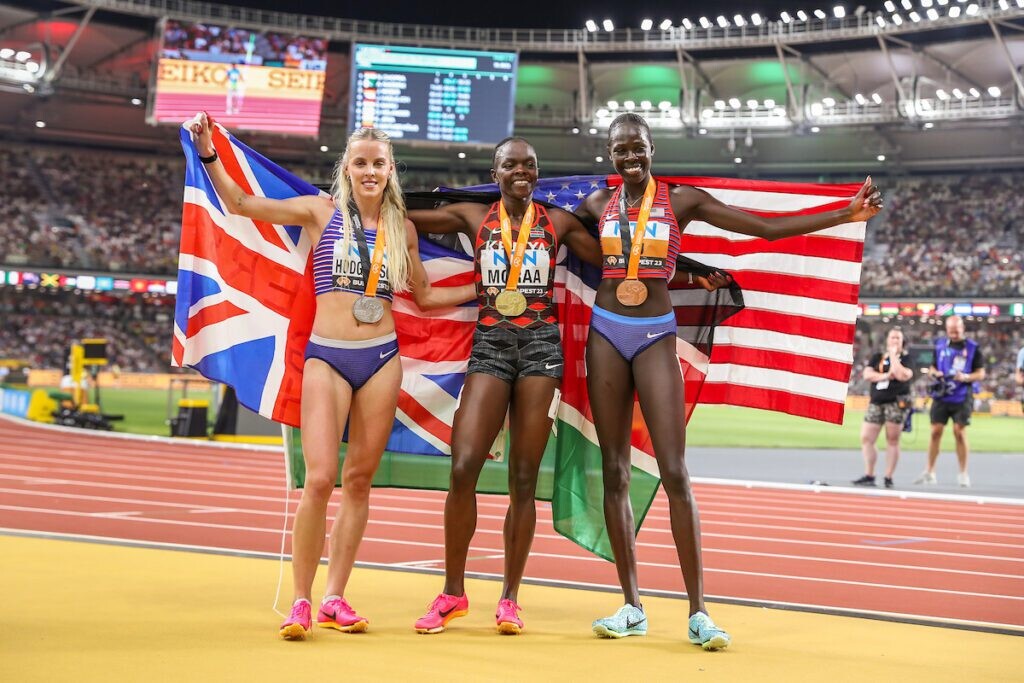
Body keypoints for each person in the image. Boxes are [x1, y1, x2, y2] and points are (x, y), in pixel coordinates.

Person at [573, 112, 883, 650]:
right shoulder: (597, 205)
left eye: (638, 147)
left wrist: (845, 214)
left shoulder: (682, 200)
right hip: (605, 333)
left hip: (654, 335)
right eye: (620, 149)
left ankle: (699, 612)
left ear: (652, 149)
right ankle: (631, 605)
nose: (630, 157)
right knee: (615, 471)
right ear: (610, 154)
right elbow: (548, 231)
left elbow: (763, 227)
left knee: (675, 471)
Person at [189, 112, 475, 640]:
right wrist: (209, 150)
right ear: (347, 168)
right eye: (361, 163)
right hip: (327, 356)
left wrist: (488, 289)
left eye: (379, 164)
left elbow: (426, 297)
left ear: (391, 171)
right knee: (320, 479)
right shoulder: (320, 211)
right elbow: (241, 204)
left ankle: (334, 597)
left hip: (382, 358)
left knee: (359, 481)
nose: (370, 171)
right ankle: (300, 600)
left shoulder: (402, 229)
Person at [404, 138, 607, 636]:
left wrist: (682, 268)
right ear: (494, 173)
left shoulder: (557, 222)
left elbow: (615, 263)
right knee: (463, 467)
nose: (521, 171)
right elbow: (401, 219)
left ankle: (510, 598)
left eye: (529, 165)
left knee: (523, 479)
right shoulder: (473, 216)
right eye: (510, 164)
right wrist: (353, 204)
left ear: (537, 172)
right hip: (490, 348)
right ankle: (453, 593)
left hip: (541, 350)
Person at [916, 315, 986, 487]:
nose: (954, 333)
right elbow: (932, 367)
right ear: (946, 329)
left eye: (956, 330)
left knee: (959, 432)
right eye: (951, 330)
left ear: (963, 328)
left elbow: (981, 373)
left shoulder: (973, 348)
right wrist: (935, 373)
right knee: (935, 431)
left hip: (962, 394)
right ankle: (929, 472)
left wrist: (966, 377)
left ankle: (963, 473)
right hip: (941, 394)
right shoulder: (940, 345)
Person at [853, 328, 914, 489]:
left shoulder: (906, 358)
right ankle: (869, 474)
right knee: (866, 438)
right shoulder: (877, 357)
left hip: (896, 403)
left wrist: (893, 355)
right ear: (887, 339)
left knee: (892, 440)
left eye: (898, 338)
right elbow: (867, 374)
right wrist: (886, 376)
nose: (895, 340)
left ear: (902, 341)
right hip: (877, 401)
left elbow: (901, 375)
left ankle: (888, 476)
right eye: (892, 337)